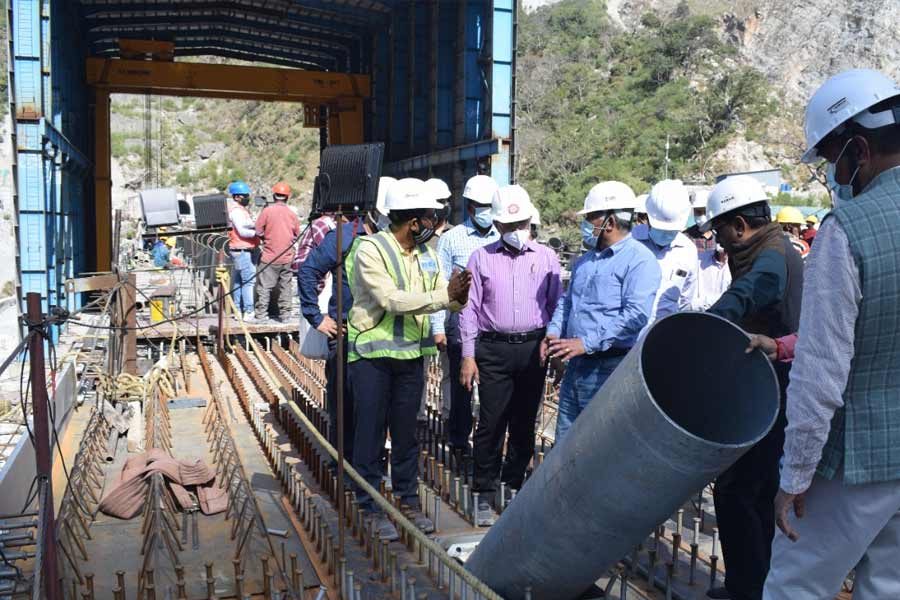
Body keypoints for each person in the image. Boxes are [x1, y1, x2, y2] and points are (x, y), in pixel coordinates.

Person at [759, 69, 900, 600]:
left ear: (858, 149)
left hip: (853, 461)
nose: (832, 175)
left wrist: (795, 475)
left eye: (830, 159)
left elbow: (820, 374)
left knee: (796, 587)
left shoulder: (846, 231)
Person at [346, 178, 472, 540]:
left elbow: (447, 300)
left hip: (411, 358)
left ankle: (407, 499)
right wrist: (445, 296)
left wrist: (460, 295)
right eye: (429, 217)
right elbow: (391, 300)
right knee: (370, 434)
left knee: (406, 435)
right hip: (371, 357)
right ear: (414, 222)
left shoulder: (428, 255)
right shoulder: (370, 249)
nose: (434, 222)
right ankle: (369, 504)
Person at [701, 174, 804, 600]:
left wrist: (707, 323)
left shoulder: (772, 257)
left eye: (720, 230)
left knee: (738, 490)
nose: (719, 241)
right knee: (755, 490)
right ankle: (756, 584)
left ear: (740, 225)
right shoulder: (767, 248)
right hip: (768, 385)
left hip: (776, 388)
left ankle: (748, 589)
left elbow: (752, 290)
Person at [458, 185, 562, 524]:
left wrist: (553, 341)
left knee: (524, 421)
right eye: (510, 225)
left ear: (530, 221)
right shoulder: (481, 258)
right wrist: (468, 355)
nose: (517, 230)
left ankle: (513, 483)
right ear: (498, 225)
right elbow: (469, 309)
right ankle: (483, 490)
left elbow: (556, 305)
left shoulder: (546, 257)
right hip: (493, 349)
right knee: (491, 420)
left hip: (533, 348)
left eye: (521, 224)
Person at [544, 181, 661, 442]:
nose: (586, 224)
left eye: (590, 218)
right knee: (565, 443)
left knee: (597, 444)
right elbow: (567, 302)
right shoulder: (584, 261)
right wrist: (554, 332)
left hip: (608, 368)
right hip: (576, 364)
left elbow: (635, 315)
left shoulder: (640, 261)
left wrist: (587, 342)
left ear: (610, 221)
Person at [429, 175, 500, 452]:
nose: (487, 212)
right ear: (470, 207)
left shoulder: (502, 236)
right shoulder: (451, 239)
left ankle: (487, 443)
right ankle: (459, 441)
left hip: (492, 328)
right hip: (460, 326)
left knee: (492, 389)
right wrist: (438, 328)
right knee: (462, 388)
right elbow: (440, 286)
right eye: (483, 206)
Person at [299, 215, 372, 467]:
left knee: (371, 407)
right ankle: (343, 464)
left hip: (379, 337)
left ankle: (366, 465)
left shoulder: (394, 238)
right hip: (345, 333)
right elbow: (307, 271)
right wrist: (316, 317)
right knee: (343, 404)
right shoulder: (344, 237)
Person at [632, 179, 697, 326]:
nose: (666, 234)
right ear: (648, 218)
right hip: (629, 333)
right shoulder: (630, 242)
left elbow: (686, 299)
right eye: (661, 228)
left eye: (671, 230)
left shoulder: (688, 251)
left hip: (666, 331)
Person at [254, 182, 301, 323]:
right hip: (287, 257)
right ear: (287, 197)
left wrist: (266, 238)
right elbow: (297, 234)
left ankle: (261, 315)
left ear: (274, 196)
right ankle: (285, 316)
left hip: (269, 257)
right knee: (285, 287)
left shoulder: (267, 212)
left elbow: (258, 231)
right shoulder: (292, 214)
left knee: (264, 287)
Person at [226, 181, 259, 320]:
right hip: (243, 250)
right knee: (248, 282)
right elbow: (242, 231)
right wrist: (258, 233)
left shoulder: (239, 211)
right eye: (244, 196)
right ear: (236, 196)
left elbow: (245, 225)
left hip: (239, 250)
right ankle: (248, 311)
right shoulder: (237, 212)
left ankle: (238, 311)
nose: (247, 198)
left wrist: (254, 224)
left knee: (239, 282)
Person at [691, 243, 731, 311]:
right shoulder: (697, 259)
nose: (721, 240)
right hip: (698, 314)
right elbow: (689, 301)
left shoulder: (741, 264)